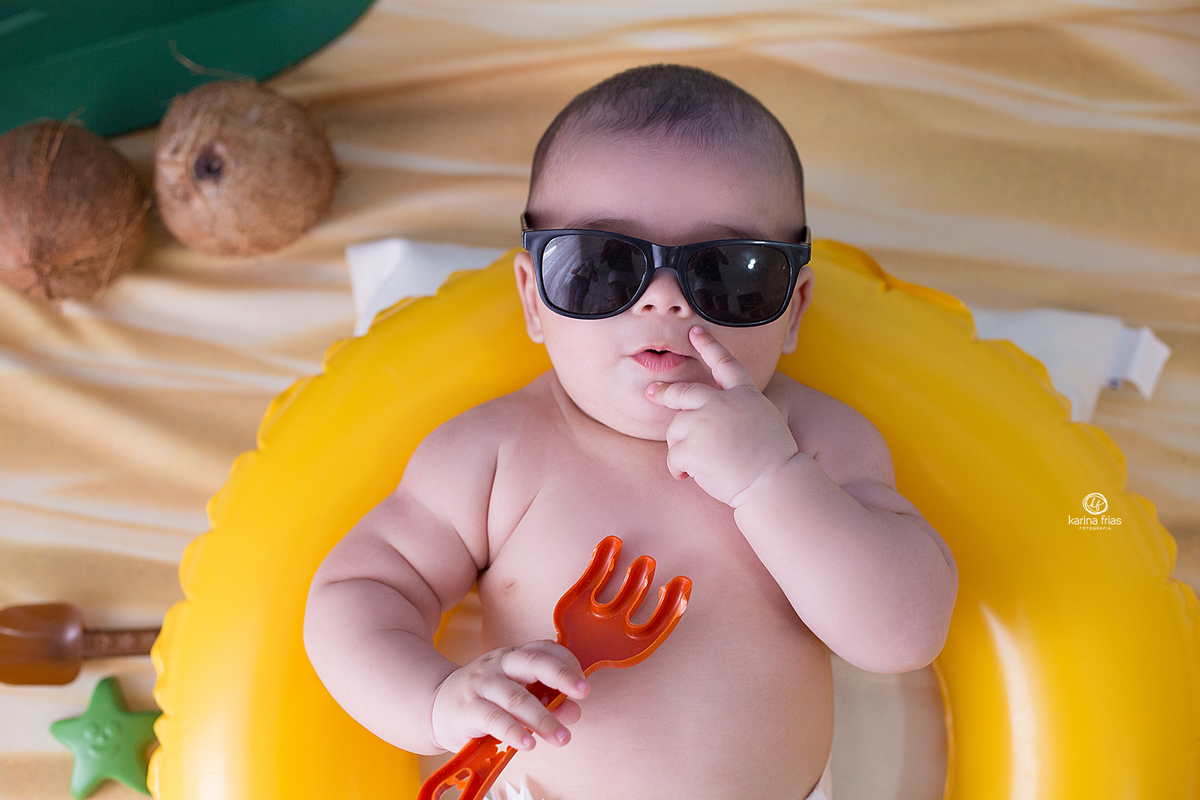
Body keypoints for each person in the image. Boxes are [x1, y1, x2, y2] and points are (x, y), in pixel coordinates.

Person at [304, 64, 958, 800]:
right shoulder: (494, 454)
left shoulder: (814, 440)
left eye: (728, 272)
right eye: (603, 267)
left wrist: (771, 480)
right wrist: (433, 701)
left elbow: (903, 633)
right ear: (533, 299)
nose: (665, 299)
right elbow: (358, 592)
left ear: (795, 307)